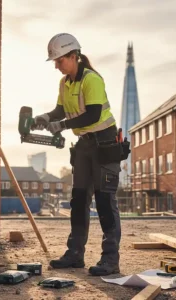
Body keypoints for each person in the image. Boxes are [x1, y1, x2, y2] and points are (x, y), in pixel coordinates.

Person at [35, 33, 122, 276]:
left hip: (105, 142)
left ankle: (110, 259)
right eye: (55, 61)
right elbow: (61, 109)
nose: (56, 65)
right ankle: (75, 254)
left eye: (59, 60)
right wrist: (46, 117)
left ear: (74, 56)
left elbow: (93, 115)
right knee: (79, 200)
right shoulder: (65, 83)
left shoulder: (92, 80)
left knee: (105, 201)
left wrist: (61, 125)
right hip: (84, 144)